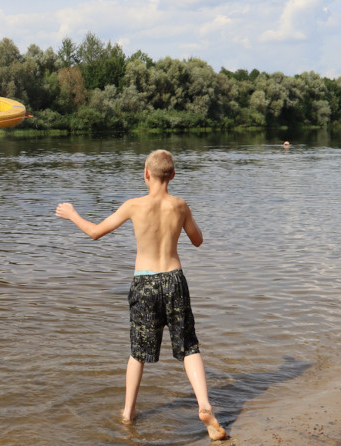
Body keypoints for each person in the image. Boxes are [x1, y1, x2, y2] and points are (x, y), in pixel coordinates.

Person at [55, 149, 227, 441]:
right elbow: (197, 241)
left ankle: (128, 413)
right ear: (172, 175)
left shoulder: (133, 205)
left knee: (138, 352)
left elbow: (95, 232)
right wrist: (185, 220)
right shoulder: (180, 205)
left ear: (146, 174)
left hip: (144, 283)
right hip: (174, 280)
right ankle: (204, 405)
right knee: (189, 347)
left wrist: (72, 214)